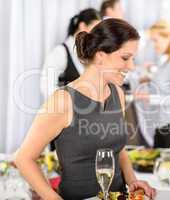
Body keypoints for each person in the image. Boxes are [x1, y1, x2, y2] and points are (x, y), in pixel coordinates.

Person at [15, 18, 155, 200]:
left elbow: (116, 149)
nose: (131, 66)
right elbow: (23, 159)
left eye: (133, 59)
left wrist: (132, 180)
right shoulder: (63, 100)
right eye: (125, 58)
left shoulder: (117, 93)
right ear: (100, 55)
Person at [134, 19, 170, 147]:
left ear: (168, 38)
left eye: (155, 40)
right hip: (161, 125)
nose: (153, 45)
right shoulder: (166, 60)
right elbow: (166, 85)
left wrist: (150, 98)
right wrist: (150, 79)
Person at [40, 8, 101, 99]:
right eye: (95, 29)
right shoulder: (60, 52)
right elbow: (46, 86)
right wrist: (66, 103)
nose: (97, 35)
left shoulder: (92, 54)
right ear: (82, 26)